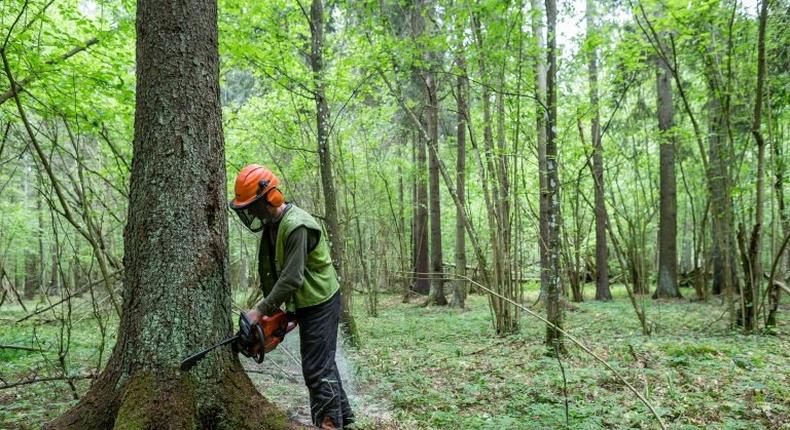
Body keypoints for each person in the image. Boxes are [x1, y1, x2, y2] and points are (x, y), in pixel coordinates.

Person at [229, 164, 355, 429]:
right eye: (247, 208)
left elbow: (293, 277)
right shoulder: (273, 226)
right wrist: (283, 313)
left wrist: (260, 310)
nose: (251, 212)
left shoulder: (296, 226)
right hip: (307, 301)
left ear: (269, 198)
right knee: (322, 364)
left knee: (316, 369)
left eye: (253, 205)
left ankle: (329, 424)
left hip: (320, 301)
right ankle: (344, 419)